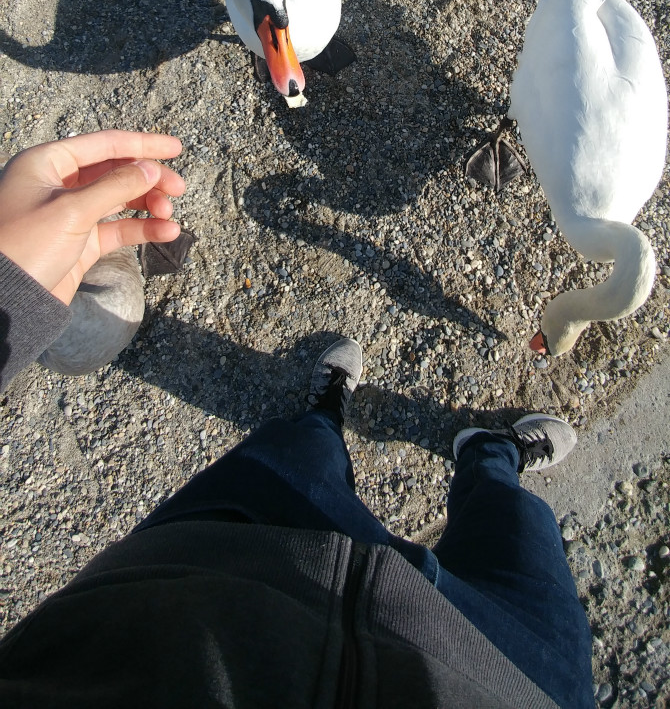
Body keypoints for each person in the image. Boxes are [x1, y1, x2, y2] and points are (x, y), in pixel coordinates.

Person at [0, 132, 593, 708]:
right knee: (516, 527)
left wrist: (11, 288)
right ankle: (490, 455)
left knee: (298, 453)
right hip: (511, 677)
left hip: (202, 575)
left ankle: (324, 413)